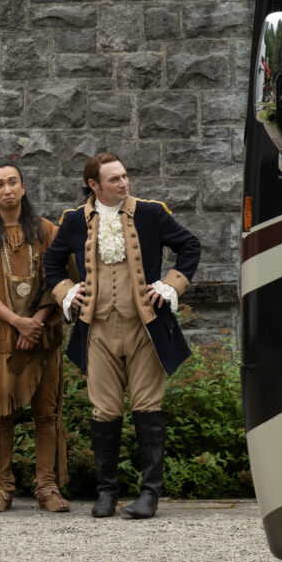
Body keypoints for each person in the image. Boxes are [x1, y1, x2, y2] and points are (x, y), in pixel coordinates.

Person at [43, 152, 201, 519]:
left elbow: (190, 246)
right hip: (97, 328)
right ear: (94, 185)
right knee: (105, 411)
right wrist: (66, 292)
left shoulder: (150, 212)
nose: (124, 182)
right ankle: (106, 493)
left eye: (125, 176)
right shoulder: (72, 220)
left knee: (148, 408)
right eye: (114, 179)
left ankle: (149, 495)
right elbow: (51, 262)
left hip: (144, 327)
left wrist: (171, 286)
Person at [0, 157, 69, 513]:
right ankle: (0, 488)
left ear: (23, 187)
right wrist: (17, 322)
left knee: (47, 413)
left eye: (13, 182)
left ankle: (47, 486)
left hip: (43, 336)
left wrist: (36, 320)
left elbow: (61, 282)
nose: (7, 189)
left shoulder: (49, 231)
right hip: (2, 340)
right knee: (0, 415)